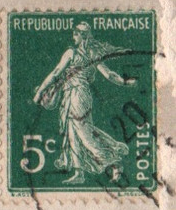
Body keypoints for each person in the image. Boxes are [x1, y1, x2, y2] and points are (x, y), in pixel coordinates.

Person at [33, 22, 135, 184]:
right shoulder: (92, 53)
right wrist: (124, 82)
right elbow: (109, 74)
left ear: (82, 35)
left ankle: (114, 163)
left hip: (76, 94)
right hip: (75, 94)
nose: (73, 36)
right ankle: (79, 173)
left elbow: (55, 73)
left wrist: (39, 92)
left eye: (76, 33)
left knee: (83, 133)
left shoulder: (71, 53)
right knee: (73, 131)